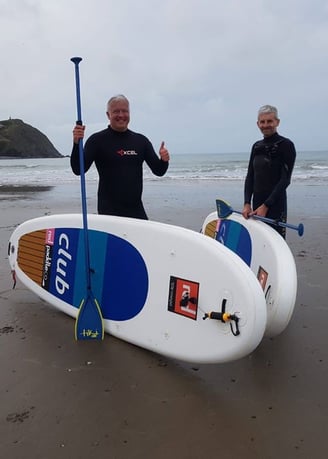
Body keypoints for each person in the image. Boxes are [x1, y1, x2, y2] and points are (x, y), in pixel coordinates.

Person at [71, 94, 170, 219]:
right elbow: (78, 169)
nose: (121, 115)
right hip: (109, 212)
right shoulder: (97, 140)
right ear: (108, 115)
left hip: (136, 211)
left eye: (125, 111)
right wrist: (76, 143)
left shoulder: (141, 141)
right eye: (116, 111)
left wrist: (164, 160)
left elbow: (159, 171)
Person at [242, 105, 296, 238]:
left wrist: (266, 206)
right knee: (259, 241)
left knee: (276, 241)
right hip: (257, 204)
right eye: (262, 122)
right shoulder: (256, 146)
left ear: (277, 122)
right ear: (258, 124)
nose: (266, 125)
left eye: (269, 121)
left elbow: (285, 180)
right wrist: (247, 203)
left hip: (276, 204)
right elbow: (250, 176)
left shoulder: (286, 145)